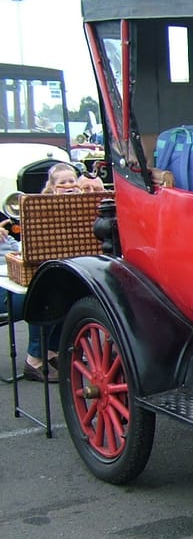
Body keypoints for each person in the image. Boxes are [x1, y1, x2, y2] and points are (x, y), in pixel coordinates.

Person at [4, 162, 102, 381]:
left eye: (71, 181)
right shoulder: (44, 207)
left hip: (68, 263)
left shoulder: (82, 204)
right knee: (44, 298)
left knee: (66, 298)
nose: (68, 186)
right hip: (42, 265)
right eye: (62, 183)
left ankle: (52, 351)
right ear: (52, 187)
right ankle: (34, 359)